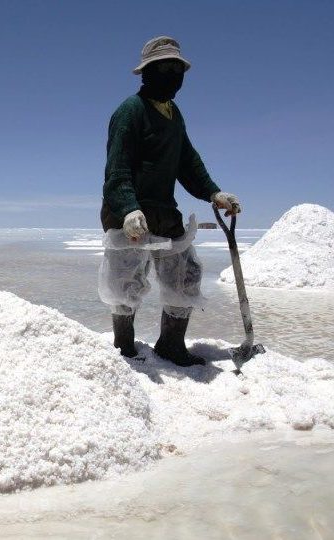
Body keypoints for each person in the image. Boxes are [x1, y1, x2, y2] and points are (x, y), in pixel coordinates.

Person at [100, 36, 241, 367]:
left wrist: (213, 193)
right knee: (125, 284)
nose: (173, 75)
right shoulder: (130, 111)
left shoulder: (174, 115)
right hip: (128, 213)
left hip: (163, 212)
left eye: (178, 69)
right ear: (147, 72)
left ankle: (171, 345)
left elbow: (187, 162)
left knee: (186, 274)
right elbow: (116, 171)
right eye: (165, 68)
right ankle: (123, 346)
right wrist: (128, 209)